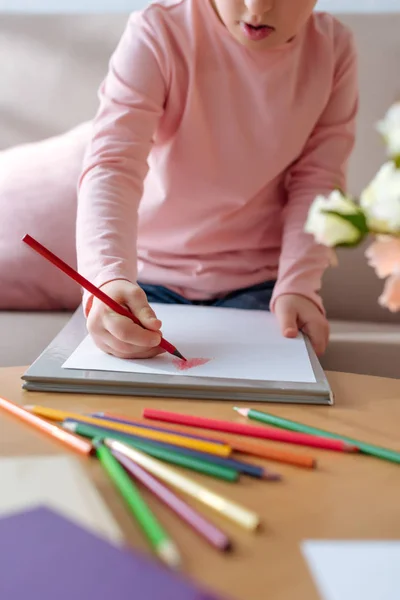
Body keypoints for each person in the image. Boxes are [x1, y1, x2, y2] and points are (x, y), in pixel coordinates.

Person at [76, 0, 358, 360]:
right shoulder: (158, 32)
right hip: (143, 279)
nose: (256, 8)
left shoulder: (333, 48)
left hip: (261, 286)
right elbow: (114, 165)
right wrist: (107, 279)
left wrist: (300, 285)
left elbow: (319, 181)